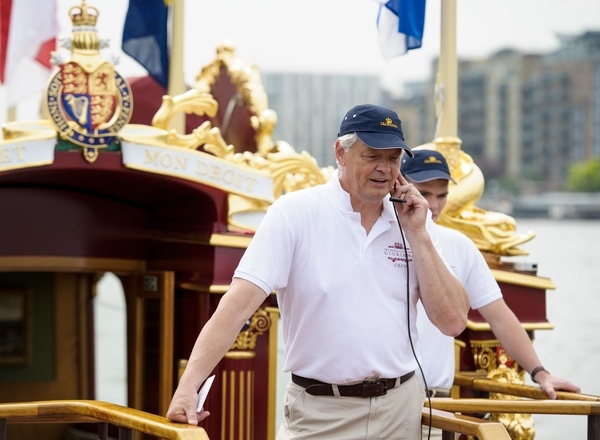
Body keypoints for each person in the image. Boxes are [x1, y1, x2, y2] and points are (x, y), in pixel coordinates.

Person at [166, 104, 470, 439]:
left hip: (400, 412)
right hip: (320, 414)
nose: (384, 169)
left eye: (393, 158)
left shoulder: (415, 221)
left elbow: (453, 321)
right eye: (372, 156)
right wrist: (187, 388)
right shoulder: (294, 213)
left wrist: (419, 235)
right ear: (341, 152)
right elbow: (236, 306)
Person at [400, 149, 581, 439]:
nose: (433, 204)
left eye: (442, 195)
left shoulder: (459, 245)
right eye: (425, 193)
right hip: (384, 402)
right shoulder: (378, 238)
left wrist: (540, 373)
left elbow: (500, 316)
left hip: (437, 406)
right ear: (402, 185)